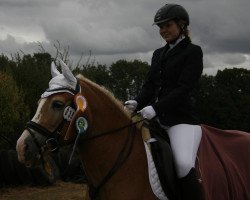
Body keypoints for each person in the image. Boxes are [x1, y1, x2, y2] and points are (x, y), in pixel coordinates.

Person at [124, 3, 203, 200]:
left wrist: (156, 108)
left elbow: (183, 89)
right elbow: (150, 86)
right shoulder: (158, 54)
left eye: (167, 25)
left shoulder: (193, 51)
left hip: (181, 120)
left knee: (183, 164)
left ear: (181, 25)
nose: (163, 31)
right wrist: (137, 102)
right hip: (154, 119)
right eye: (160, 27)